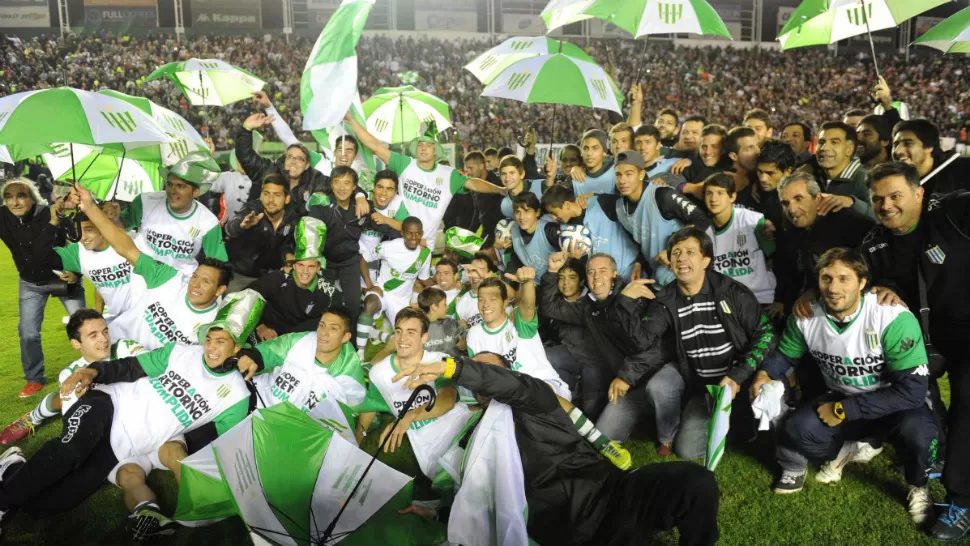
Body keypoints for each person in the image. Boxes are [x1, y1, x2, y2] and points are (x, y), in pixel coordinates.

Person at [398, 352, 721, 546]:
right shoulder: (471, 438)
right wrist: (440, 513)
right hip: (565, 534)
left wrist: (456, 367)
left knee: (694, 481)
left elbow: (516, 387)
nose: (482, 382)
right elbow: (480, 497)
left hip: (613, 496)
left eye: (490, 372)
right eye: (478, 376)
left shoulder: (536, 402)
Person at [0, 296, 258, 537]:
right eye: (209, 338)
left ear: (237, 347)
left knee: (45, 506)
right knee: (71, 451)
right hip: (108, 406)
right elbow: (131, 367)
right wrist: (93, 372)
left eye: (221, 341)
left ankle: (11, 466)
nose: (210, 348)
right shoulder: (180, 353)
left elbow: (216, 442)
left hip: (126, 445)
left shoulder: (237, 396)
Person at [755, 248, 936, 525]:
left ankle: (917, 485)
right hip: (843, 395)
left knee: (920, 432)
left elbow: (912, 391)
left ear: (862, 283)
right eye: (826, 278)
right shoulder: (805, 315)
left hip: (891, 404)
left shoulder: (891, 317)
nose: (834, 288)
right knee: (798, 429)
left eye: (844, 278)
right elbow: (785, 355)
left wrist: (842, 410)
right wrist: (764, 374)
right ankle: (848, 448)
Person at [860, 162, 970, 541]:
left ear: (919, 193)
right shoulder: (873, 243)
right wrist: (880, 288)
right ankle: (924, 453)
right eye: (877, 198)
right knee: (916, 404)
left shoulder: (954, 211)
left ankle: (961, 501)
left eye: (895, 196)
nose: (886, 204)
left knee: (968, 403)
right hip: (923, 344)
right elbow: (862, 285)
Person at [602, 228, 775, 458]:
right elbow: (643, 342)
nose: (681, 258)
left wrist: (738, 376)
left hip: (738, 382)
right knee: (687, 450)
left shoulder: (731, 292)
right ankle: (717, 424)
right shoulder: (666, 300)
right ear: (670, 262)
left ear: (705, 260)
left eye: (690, 252)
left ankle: (740, 423)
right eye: (676, 253)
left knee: (757, 409)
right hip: (702, 388)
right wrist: (624, 302)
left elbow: (766, 333)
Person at [468, 269, 631, 469]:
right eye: (481, 299)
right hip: (508, 399)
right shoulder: (474, 335)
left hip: (546, 386)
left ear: (505, 302)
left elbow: (528, 306)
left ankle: (602, 443)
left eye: (492, 299)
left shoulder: (518, 323)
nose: (485, 305)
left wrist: (527, 283)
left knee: (539, 392)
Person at [73, 183, 229, 350]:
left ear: (220, 290)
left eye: (205, 282)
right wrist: (90, 207)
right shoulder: (169, 279)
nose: (196, 284)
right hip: (113, 345)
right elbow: (125, 247)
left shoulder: (213, 324)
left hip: (143, 368)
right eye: (195, 277)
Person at [348, 115, 506, 252]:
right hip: (397, 237)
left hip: (424, 245)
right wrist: (351, 121)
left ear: (436, 150)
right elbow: (375, 146)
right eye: (420, 145)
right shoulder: (404, 163)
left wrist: (499, 189)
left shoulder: (449, 174)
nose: (423, 149)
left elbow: (475, 184)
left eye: (428, 145)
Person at [357, 308, 471, 479]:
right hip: (424, 448)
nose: (402, 339)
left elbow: (447, 400)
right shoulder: (379, 373)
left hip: (458, 429)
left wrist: (408, 417)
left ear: (424, 338)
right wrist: (356, 448)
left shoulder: (439, 360)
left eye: (411, 332)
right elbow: (368, 411)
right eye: (398, 332)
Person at [1, 310, 144, 445]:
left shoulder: (125, 347)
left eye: (105, 331)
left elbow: (155, 363)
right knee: (64, 397)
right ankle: (33, 417)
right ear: (76, 343)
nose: (104, 339)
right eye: (93, 335)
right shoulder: (70, 373)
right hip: (107, 413)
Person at [2, 177, 86, 397]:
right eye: (8, 197)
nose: (15, 202)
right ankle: (34, 379)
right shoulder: (3, 217)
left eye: (21, 195)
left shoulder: (50, 214)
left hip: (61, 278)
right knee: (28, 332)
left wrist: (76, 273)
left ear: (33, 197)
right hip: (30, 283)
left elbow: (76, 244)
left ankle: (99, 367)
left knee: (85, 326)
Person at [540, 252, 648, 421]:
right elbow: (550, 308)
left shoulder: (631, 296)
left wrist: (626, 377)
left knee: (591, 410)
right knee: (544, 357)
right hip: (590, 361)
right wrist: (552, 271)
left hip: (635, 372)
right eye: (592, 272)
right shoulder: (587, 306)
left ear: (614, 274)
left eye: (603, 271)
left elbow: (650, 347)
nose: (597, 276)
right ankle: (571, 390)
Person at [236, 308, 366, 445]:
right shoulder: (301, 341)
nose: (324, 333)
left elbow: (354, 412)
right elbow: (270, 351)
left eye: (333, 329)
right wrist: (253, 358)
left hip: (296, 429)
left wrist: (360, 432)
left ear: (345, 337)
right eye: (322, 325)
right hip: (262, 402)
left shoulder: (349, 370)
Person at [774, 173, 875, 312]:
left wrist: (815, 292)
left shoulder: (849, 224)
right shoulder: (791, 231)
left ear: (818, 198)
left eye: (798, 199)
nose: (792, 209)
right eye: (785, 203)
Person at [237, 113, 369, 214]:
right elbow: (246, 157)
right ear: (284, 160)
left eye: (300, 159)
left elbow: (341, 187)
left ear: (307, 165)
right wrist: (246, 129)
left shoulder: (316, 180)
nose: (294, 161)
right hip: (261, 232)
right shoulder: (270, 171)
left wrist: (360, 195)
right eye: (290, 157)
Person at [613, 151, 711, 285]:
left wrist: (672, 249)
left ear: (641, 174)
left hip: (687, 273)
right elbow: (644, 239)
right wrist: (638, 263)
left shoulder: (661, 194)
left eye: (629, 174)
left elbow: (701, 219)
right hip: (660, 278)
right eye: (618, 175)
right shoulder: (620, 208)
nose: (622, 180)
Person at [123, 152, 228, 272]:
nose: (173, 191)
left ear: (195, 192)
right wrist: (113, 217)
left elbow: (217, 264)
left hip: (180, 283)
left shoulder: (208, 222)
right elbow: (121, 225)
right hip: (140, 273)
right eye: (170, 184)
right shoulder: (145, 201)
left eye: (181, 186)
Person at [248, 217, 340, 341]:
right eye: (301, 265)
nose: (305, 272)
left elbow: (340, 320)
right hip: (267, 333)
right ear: (294, 265)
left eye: (311, 266)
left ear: (319, 268)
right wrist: (260, 325)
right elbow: (248, 296)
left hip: (297, 340)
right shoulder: (279, 279)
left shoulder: (329, 293)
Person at [305, 166, 372, 332]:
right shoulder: (321, 204)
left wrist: (400, 228)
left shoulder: (361, 206)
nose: (342, 188)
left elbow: (380, 222)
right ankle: (321, 337)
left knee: (354, 304)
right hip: (325, 261)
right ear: (331, 185)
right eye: (337, 183)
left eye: (347, 183)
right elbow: (309, 233)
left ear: (354, 186)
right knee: (321, 301)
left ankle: (352, 342)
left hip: (349, 262)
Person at [702, 173, 779, 313]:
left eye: (720, 193)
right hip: (727, 304)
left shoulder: (752, 220)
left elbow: (777, 258)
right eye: (709, 193)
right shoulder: (703, 231)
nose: (713, 199)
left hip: (761, 299)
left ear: (732, 197)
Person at [46, 206, 143, 316]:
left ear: (102, 227)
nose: (83, 237)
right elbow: (102, 285)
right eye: (79, 231)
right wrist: (53, 223)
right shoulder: (79, 252)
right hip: (118, 319)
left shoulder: (134, 242)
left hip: (147, 313)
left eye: (89, 230)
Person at [358, 217, 432, 358]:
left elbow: (424, 279)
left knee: (406, 336)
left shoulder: (425, 254)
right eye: (410, 233)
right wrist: (370, 285)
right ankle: (360, 352)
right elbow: (363, 260)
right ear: (403, 233)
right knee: (370, 303)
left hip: (401, 301)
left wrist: (443, 283)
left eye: (417, 234)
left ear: (422, 234)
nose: (414, 237)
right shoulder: (388, 246)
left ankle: (375, 334)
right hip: (382, 292)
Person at [541, 184, 641, 281]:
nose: (553, 218)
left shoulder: (600, 203)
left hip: (631, 273)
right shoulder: (566, 233)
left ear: (567, 205)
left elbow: (630, 203)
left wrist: (595, 194)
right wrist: (576, 260)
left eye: (554, 213)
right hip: (605, 282)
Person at [223, 173, 300, 291]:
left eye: (277, 195)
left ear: (287, 198)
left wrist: (289, 258)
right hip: (241, 276)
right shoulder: (251, 210)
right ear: (260, 195)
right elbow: (230, 228)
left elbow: (289, 244)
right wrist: (241, 226)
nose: (270, 200)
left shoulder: (294, 218)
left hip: (275, 276)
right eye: (266, 194)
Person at [373, 287, 467, 363]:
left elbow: (469, 345)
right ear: (434, 307)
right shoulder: (415, 327)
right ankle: (372, 333)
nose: (447, 307)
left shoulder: (453, 324)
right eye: (445, 304)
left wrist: (465, 343)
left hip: (451, 372)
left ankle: (372, 332)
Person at [810, 121, 872, 218]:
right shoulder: (813, 177)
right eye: (821, 142)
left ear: (849, 149)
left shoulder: (865, 179)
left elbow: (883, 219)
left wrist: (853, 203)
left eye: (834, 142)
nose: (824, 148)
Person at [892, 118, 970, 196]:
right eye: (895, 145)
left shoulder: (963, 172)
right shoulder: (891, 181)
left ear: (929, 147)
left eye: (907, 144)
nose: (897, 151)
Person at [360, 170, 408, 284]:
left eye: (389, 189)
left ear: (396, 192)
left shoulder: (398, 202)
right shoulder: (363, 198)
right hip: (355, 255)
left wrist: (385, 219)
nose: (383, 193)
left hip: (379, 259)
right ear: (374, 187)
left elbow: (405, 227)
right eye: (380, 187)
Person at [500, 192, 562, 281]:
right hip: (534, 284)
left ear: (537, 212)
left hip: (555, 283)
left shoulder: (550, 230)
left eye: (527, 211)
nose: (522, 217)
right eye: (518, 212)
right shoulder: (513, 231)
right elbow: (515, 261)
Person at [448, 252, 499, 329]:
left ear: (489, 273)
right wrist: (466, 327)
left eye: (480, 270)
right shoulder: (461, 302)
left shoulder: (500, 292)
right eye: (472, 270)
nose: (476, 274)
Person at [755, 139, 796, 227]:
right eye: (759, 171)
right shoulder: (754, 189)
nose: (763, 179)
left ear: (788, 171)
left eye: (770, 173)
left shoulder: (799, 199)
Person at [567, 129, 619, 195]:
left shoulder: (616, 172)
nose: (589, 153)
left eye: (595, 148)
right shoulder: (574, 177)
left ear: (604, 152)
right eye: (585, 148)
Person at [498, 155, 546, 219]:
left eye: (512, 173)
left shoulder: (541, 186)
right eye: (504, 174)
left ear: (522, 174)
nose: (507, 178)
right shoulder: (504, 204)